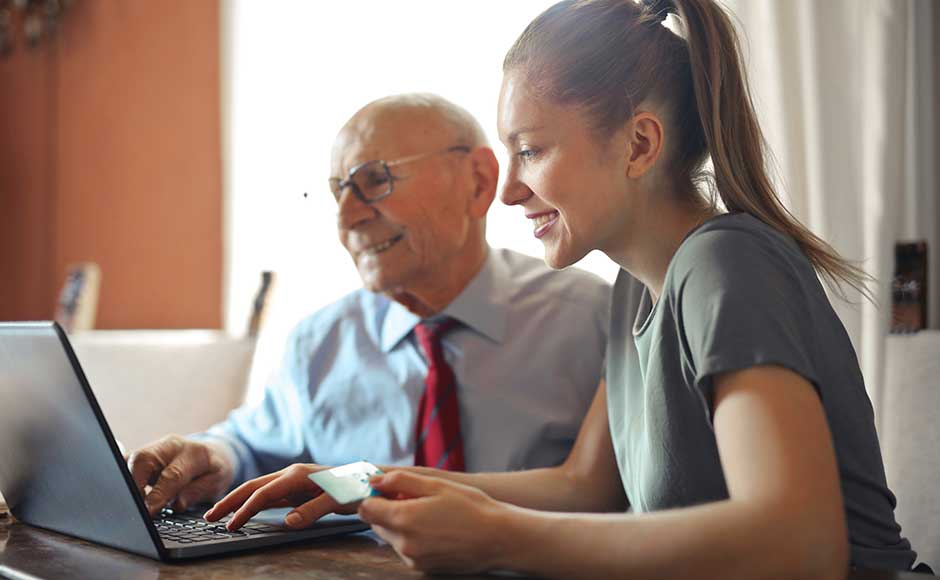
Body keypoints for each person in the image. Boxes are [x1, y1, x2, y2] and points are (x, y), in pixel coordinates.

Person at [204, 0, 927, 577]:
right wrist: (358, 483)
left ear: (640, 145)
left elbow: (797, 548)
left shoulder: (725, 266)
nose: (511, 189)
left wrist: (499, 539)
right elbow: (586, 485)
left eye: (532, 149)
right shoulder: (635, 290)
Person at [127, 93, 610, 518]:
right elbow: (252, 445)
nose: (347, 218)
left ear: (479, 181)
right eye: (339, 191)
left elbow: (611, 494)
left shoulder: (591, 318)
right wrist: (213, 456)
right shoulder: (321, 340)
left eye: (373, 181)